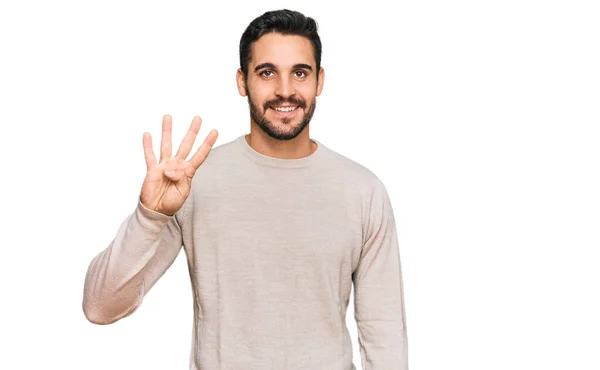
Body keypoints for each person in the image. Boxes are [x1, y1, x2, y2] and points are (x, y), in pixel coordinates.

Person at [82, 8, 408, 370]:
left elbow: (385, 337)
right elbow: (100, 307)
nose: (285, 91)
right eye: (267, 73)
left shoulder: (362, 191)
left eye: (300, 73)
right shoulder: (196, 182)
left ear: (319, 81)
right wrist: (150, 216)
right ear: (242, 81)